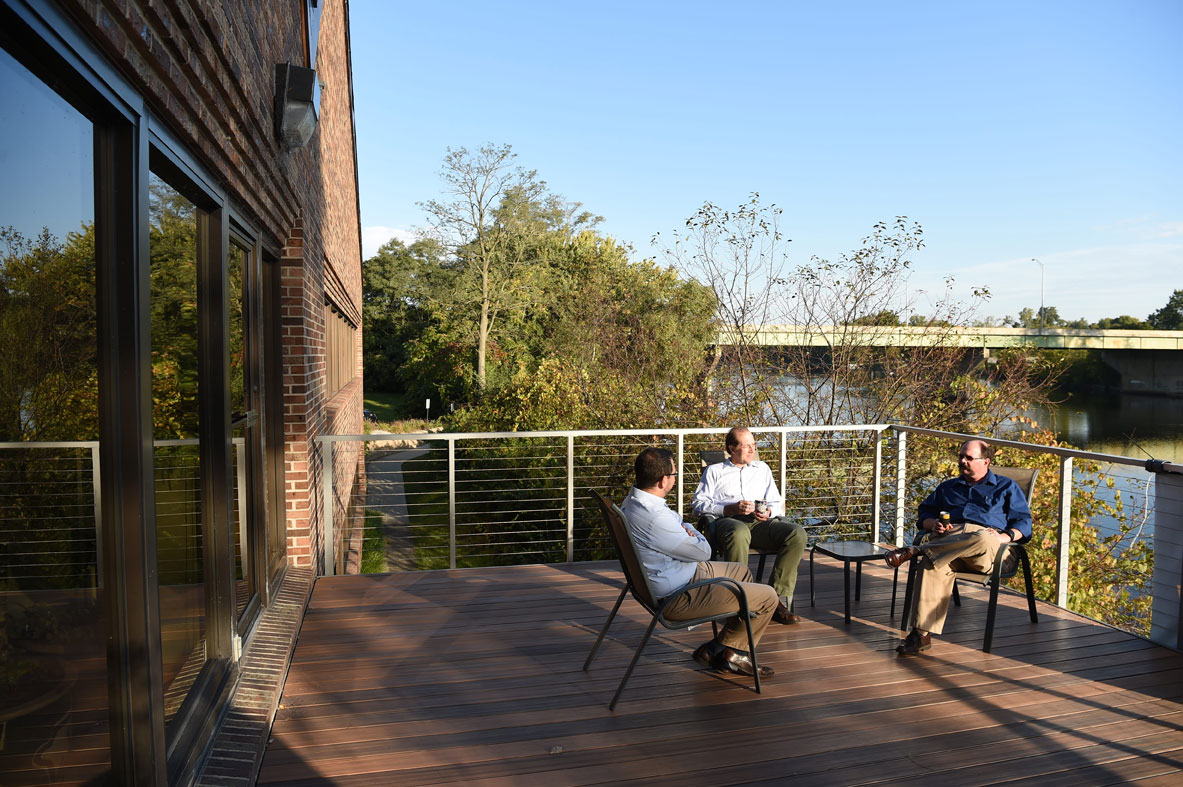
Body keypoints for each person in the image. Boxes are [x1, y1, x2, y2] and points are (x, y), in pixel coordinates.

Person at [621, 447, 780, 677]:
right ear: (663, 480)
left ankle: (716, 649)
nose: (675, 479)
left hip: (674, 575)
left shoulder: (634, 501)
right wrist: (692, 531)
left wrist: (686, 530)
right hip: (678, 596)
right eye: (674, 475)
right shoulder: (656, 518)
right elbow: (704, 551)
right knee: (768, 597)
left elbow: (682, 532)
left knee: (741, 573)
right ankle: (734, 654)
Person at [883, 439, 1032, 655]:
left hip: (991, 551)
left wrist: (1005, 536)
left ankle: (917, 550)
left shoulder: (1006, 487)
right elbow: (924, 514)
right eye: (961, 456)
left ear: (986, 462)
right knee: (931, 564)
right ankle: (921, 635)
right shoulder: (948, 487)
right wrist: (932, 524)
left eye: (969, 458)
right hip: (951, 549)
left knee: (981, 536)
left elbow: (1024, 525)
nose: (962, 461)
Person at [691, 427, 807, 625]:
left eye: (754, 445)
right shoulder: (714, 471)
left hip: (759, 524)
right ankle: (741, 600)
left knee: (796, 533)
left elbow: (777, 503)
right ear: (732, 449)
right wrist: (729, 509)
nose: (752, 450)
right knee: (739, 531)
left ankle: (774, 600)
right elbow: (698, 505)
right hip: (728, 524)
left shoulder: (762, 469)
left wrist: (769, 511)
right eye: (747, 446)